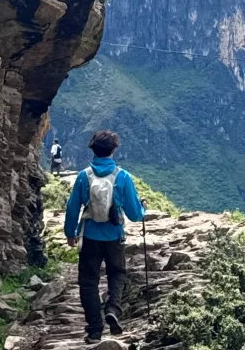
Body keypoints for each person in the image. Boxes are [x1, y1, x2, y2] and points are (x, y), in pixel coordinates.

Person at [64, 129, 146, 343]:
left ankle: (94, 330)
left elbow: (73, 208)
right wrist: (143, 209)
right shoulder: (123, 176)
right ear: (114, 150)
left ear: (93, 150)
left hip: (90, 236)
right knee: (117, 274)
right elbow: (135, 214)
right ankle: (113, 309)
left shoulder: (84, 176)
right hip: (114, 236)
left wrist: (70, 233)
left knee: (88, 282)